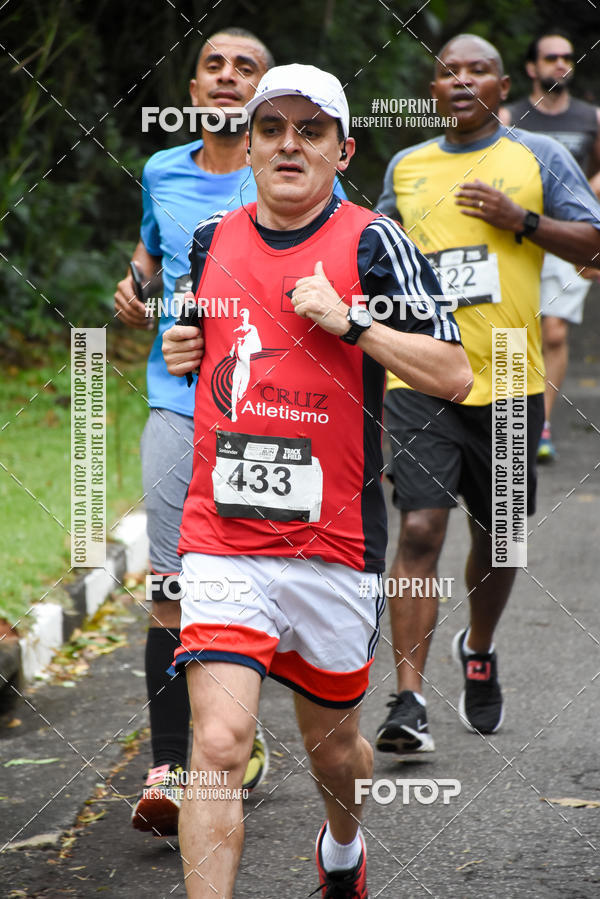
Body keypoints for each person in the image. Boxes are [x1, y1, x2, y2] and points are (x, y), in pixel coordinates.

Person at [162, 63, 471, 898]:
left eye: (311, 131)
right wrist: (183, 347)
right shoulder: (211, 239)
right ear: (250, 144)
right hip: (222, 535)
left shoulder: (375, 242)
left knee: (334, 748)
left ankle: (341, 850)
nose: (288, 145)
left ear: (343, 151)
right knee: (220, 743)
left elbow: (455, 373)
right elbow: (204, 339)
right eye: (272, 129)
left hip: (332, 544)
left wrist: (353, 319)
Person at [375, 34, 600, 758]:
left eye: (478, 70)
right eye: (449, 71)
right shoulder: (406, 168)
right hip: (419, 375)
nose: (463, 79)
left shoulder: (540, 158)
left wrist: (522, 221)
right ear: (432, 89)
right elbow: (372, 263)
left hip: (508, 375)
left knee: (500, 539)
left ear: (505, 87)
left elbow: (595, 245)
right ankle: (407, 698)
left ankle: (478, 644)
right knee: (419, 530)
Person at [113, 27, 274, 837]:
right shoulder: (162, 169)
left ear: (265, 93)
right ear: (193, 82)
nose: (226, 77)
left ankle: (236, 737)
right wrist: (136, 286)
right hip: (176, 400)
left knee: (251, 586)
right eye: (213, 64)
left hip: (267, 411)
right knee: (171, 587)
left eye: (245, 68)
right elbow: (151, 251)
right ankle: (172, 766)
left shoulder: (284, 176)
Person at [500, 30, 600, 462]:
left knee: (554, 331)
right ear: (531, 68)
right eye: (551, 57)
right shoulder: (509, 115)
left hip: (567, 233)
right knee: (514, 329)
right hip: (518, 232)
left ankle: (538, 426)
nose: (561, 64)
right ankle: (508, 424)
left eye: (567, 57)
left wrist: (583, 204)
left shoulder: (591, 117)